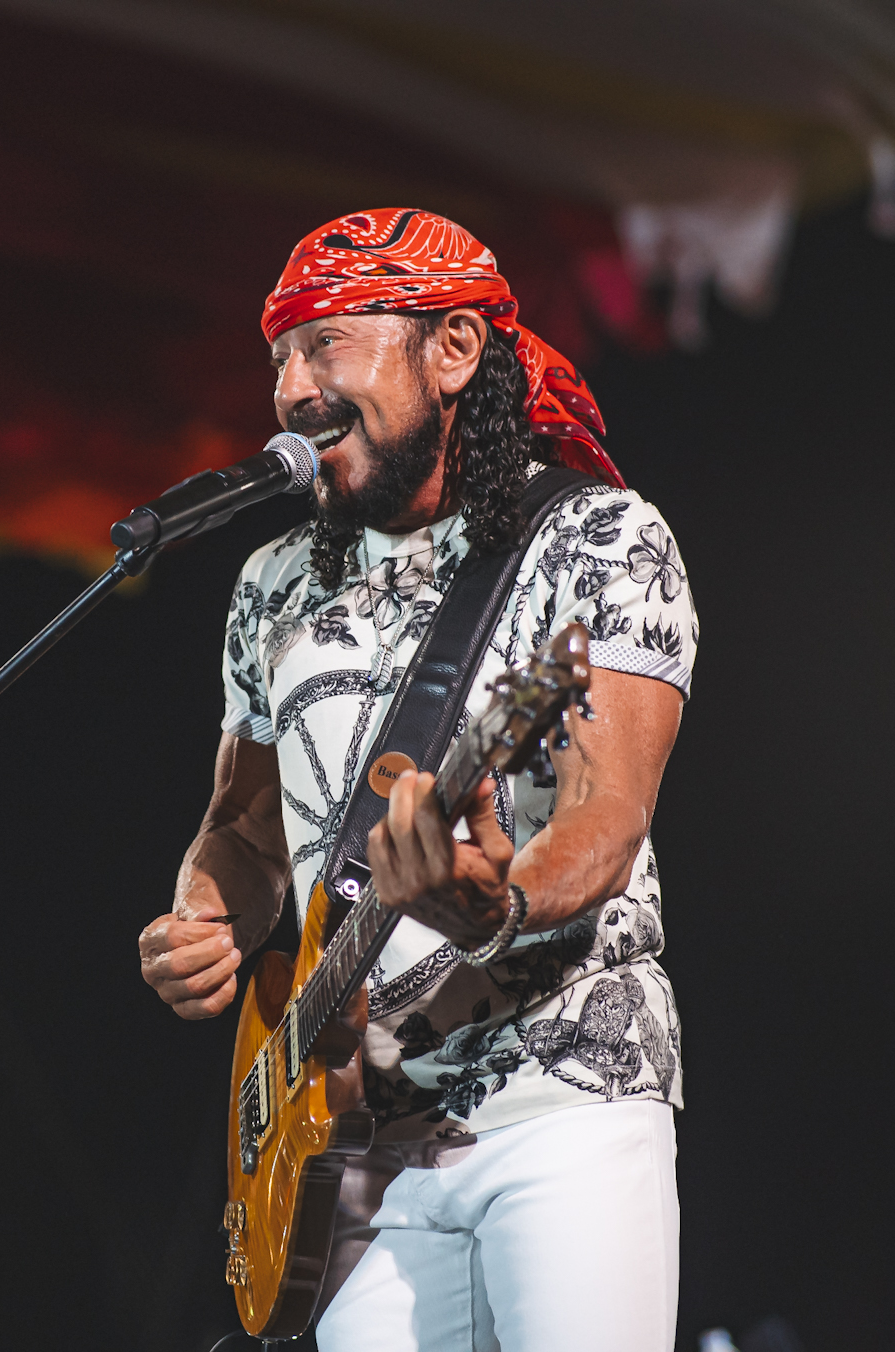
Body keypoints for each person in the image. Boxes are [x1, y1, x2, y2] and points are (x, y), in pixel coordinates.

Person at [137, 208, 695, 1352]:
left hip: (562, 1090)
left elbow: (607, 809)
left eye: (325, 345)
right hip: (350, 1139)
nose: (292, 389)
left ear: (453, 349)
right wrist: (202, 914)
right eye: (279, 358)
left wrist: (505, 899)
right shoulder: (271, 582)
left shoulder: (598, 538)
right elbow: (244, 826)